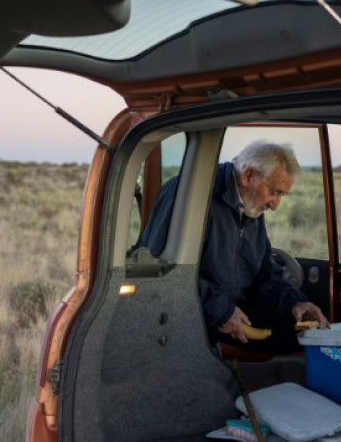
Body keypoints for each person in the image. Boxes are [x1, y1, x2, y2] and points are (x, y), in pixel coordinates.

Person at [140, 140, 328, 353]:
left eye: (282, 195)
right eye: (274, 192)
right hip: (180, 319)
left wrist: (295, 303)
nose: (275, 205)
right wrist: (220, 312)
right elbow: (162, 272)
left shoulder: (250, 208)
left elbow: (263, 273)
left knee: (295, 337)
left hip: (226, 309)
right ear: (248, 176)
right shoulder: (188, 195)